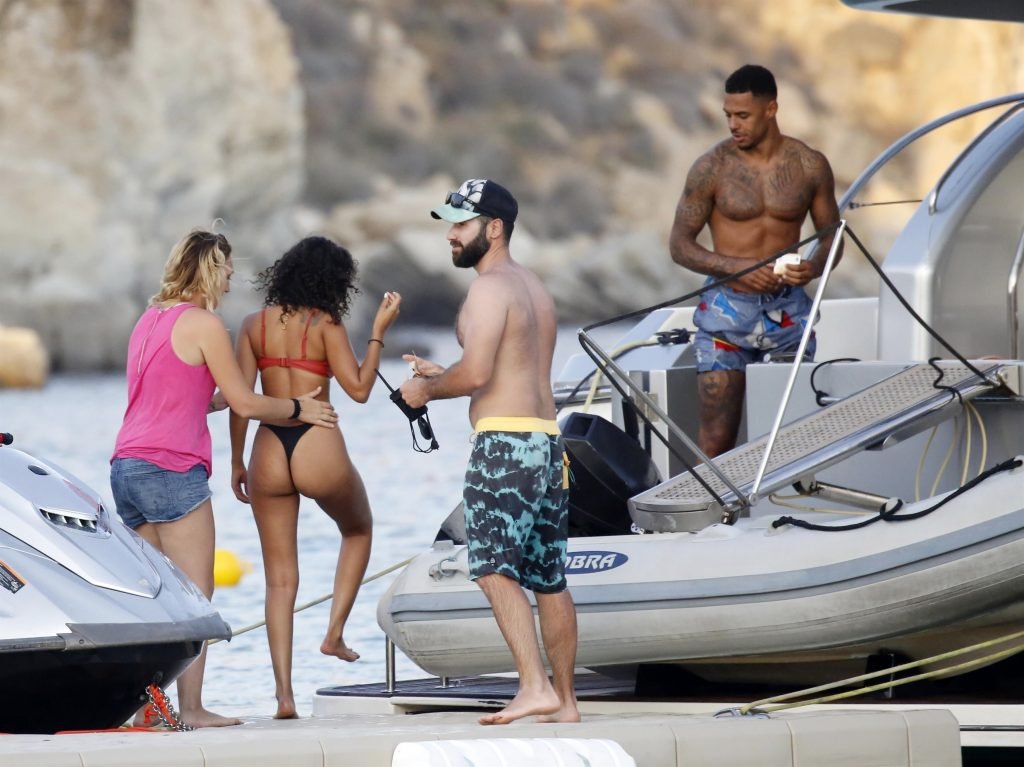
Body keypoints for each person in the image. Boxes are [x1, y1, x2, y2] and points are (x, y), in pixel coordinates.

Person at [110, 228, 338, 728]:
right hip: (172, 468)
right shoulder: (205, 325)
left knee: (155, 596)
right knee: (196, 593)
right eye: (229, 273)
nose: (232, 283)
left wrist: (233, 402)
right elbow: (246, 403)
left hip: (126, 466)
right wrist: (298, 408)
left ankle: (146, 708)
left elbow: (190, 397)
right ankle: (190, 707)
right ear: (211, 272)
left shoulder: (149, 320)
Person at [399, 179, 579, 726]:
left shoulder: (487, 289)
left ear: (494, 228)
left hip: (505, 446)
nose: (451, 235)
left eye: (461, 224)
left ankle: (534, 687)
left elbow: (476, 374)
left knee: (492, 569)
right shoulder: (533, 286)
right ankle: (566, 702)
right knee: (548, 578)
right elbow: (506, 370)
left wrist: (425, 391)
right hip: (547, 443)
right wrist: (444, 374)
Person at [229, 236, 401, 720]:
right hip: (316, 442)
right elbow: (360, 390)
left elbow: (242, 401)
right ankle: (334, 633)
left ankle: (284, 697)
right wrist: (378, 333)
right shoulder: (326, 324)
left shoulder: (253, 325)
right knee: (358, 529)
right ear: (333, 281)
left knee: (279, 581)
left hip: (268, 445)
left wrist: (237, 460)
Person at [669, 64, 842, 458]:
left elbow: (833, 236)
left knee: (789, 437)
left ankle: (783, 500)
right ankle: (714, 502)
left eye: (743, 115)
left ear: (771, 109)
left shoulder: (810, 165)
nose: (733, 124)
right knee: (716, 437)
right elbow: (679, 245)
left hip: (787, 314)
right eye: (728, 115)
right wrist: (734, 268)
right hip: (725, 314)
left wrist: (814, 267)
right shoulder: (711, 168)